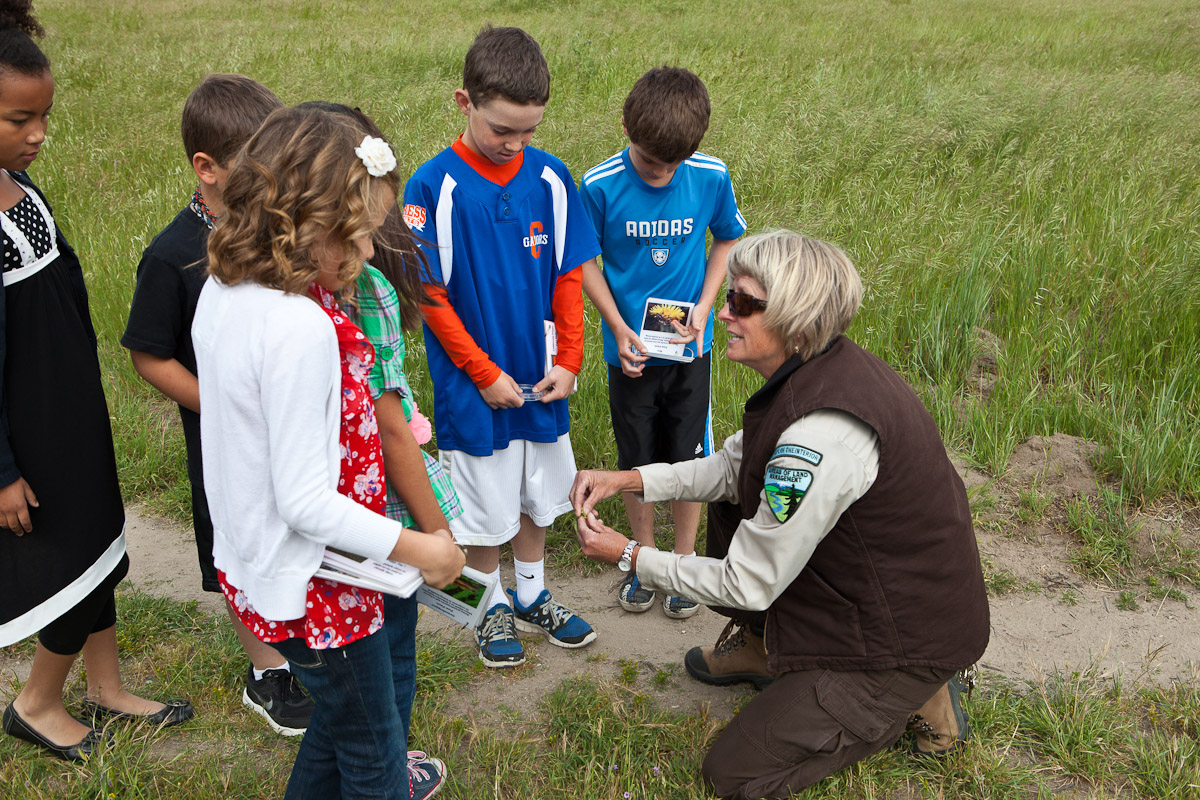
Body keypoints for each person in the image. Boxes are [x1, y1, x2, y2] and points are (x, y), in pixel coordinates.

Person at [571, 230, 990, 798]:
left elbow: (747, 581)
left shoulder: (819, 436)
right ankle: (772, 648)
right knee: (735, 497)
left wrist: (628, 555)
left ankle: (918, 694)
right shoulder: (813, 371)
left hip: (901, 637)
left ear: (794, 316)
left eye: (741, 303)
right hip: (860, 595)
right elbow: (728, 469)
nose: (721, 314)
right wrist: (629, 479)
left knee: (734, 773)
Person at [193, 105, 464, 800]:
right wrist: (420, 547)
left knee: (342, 724)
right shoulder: (300, 327)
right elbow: (307, 501)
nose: (369, 257)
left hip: (259, 567)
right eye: (356, 237)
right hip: (323, 588)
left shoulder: (224, 289)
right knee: (376, 756)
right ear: (300, 219)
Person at [0, 3, 193, 761]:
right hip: (24, 434)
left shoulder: (17, 186)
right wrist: (4, 470)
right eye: (20, 119)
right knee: (69, 560)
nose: (38, 134)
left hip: (69, 414)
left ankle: (106, 689)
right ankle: (37, 701)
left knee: (103, 545)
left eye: (43, 117)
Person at [119, 73, 314, 737]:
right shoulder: (172, 256)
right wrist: (220, 407)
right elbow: (148, 355)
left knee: (293, 522)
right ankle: (266, 671)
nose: (277, 184)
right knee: (236, 537)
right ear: (206, 169)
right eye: (262, 170)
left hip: (285, 426)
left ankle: (299, 631)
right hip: (222, 439)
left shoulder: (276, 235)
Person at [403, 26, 602, 668]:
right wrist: (482, 372)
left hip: (540, 372)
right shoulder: (432, 188)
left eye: (528, 131)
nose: (514, 144)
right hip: (473, 383)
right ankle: (489, 605)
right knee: (485, 501)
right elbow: (431, 297)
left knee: (540, 490)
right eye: (501, 129)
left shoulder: (552, 178)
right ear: (463, 102)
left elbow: (570, 274)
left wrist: (570, 359)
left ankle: (533, 592)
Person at [301, 99, 465, 765]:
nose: (372, 250)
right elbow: (392, 431)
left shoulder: (276, 289)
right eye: (363, 233)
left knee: (350, 686)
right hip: (378, 523)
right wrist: (437, 535)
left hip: (323, 527)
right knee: (390, 652)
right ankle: (388, 764)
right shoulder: (365, 292)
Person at [580, 66, 746, 620]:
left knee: (689, 455)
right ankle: (642, 559)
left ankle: (683, 562)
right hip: (629, 353)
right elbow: (583, 262)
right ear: (627, 126)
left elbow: (725, 239)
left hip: (687, 351)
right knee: (637, 457)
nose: (661, 173)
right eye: (651, 162)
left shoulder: (710, 176)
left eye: (672, 165)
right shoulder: (599, 185)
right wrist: (618, 327)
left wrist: (703, 305)